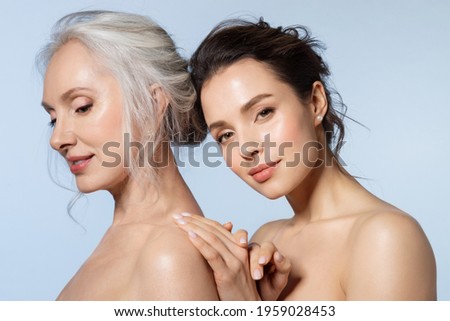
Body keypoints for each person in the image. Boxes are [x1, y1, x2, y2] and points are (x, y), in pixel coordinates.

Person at [173, 18, 437, 300]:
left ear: (315, 103)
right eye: (225, 135)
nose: (246, 147)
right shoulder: (266, 241)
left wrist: (244, 305)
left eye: (263, 112)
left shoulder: (386, 237)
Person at [36, 10, 223, 300]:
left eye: (82, 107)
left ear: (153, 104)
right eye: (53, 118)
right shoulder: (130, 235)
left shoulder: (169, 257)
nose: (57, 139)